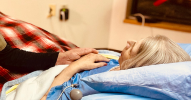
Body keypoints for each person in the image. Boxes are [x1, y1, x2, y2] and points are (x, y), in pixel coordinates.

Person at [41, 35, 191, 100]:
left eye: (132, 48)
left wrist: (73, 67)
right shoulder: (117, 65)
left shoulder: (102, 86)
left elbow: (47, 97)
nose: (128, 42)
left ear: (136, 65)